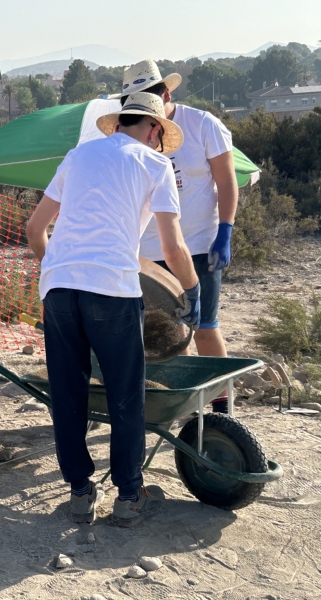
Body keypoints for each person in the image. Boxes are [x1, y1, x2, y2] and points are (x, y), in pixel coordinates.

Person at [25, 92, 201, 527]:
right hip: (112, 290)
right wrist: (194, 292)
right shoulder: (155, 165)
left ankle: (81, 494)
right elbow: (173, 246)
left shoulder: (79, 156)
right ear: (155, 129)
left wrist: (59, 273)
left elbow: (34, 229)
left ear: (121, 122)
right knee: (126, 392)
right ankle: (128, 495)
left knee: (67, 393)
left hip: (60, 288)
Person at [120, 60, 238, 413]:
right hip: (148, 253)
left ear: (166, 93)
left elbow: (226, 181)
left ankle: (222, 411)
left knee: (204, 325)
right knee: (167, 336)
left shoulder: (203, 124)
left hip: (199, 247)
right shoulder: (130, 135)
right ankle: (180, 407)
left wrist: (225, 231)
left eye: (150, 97)